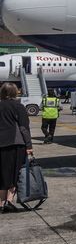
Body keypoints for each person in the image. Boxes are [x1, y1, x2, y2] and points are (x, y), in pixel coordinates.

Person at [0, 83, 33, 214]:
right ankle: (9, 200)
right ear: (15, 93)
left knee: (2, 172)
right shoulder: (18, 107)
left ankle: (1, 203)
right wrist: (29, 145)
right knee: (15, 172)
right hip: (15, 144)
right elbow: (24, 128)